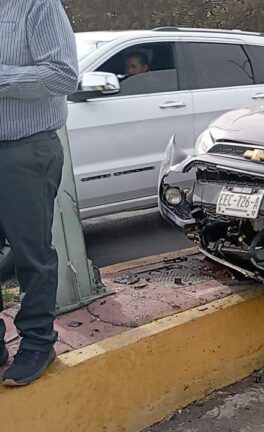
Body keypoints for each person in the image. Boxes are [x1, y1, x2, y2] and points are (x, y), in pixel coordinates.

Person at [0, 0, 78, 386]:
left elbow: (63, 76)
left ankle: (37, 343)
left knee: (31, 254)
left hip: (24, 149)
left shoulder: (36, 5)